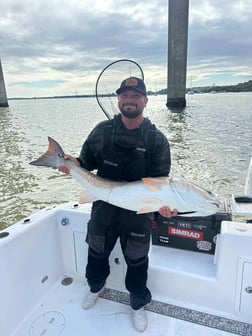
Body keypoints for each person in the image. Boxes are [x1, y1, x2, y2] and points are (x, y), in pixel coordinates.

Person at [59, 76, 177, 332]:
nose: (130, 100)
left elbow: (161, 183)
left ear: (145, 100)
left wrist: (164, 205)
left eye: (135, 96)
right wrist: (71, 164)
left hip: (139, 212)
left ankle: (137, 303)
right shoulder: (102, 130)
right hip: (103, 203)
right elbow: (85, 162)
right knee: (96, 252)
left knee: (136, 260)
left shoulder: (157, 140)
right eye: (125, 95)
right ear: (119, 99)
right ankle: (95, 288)